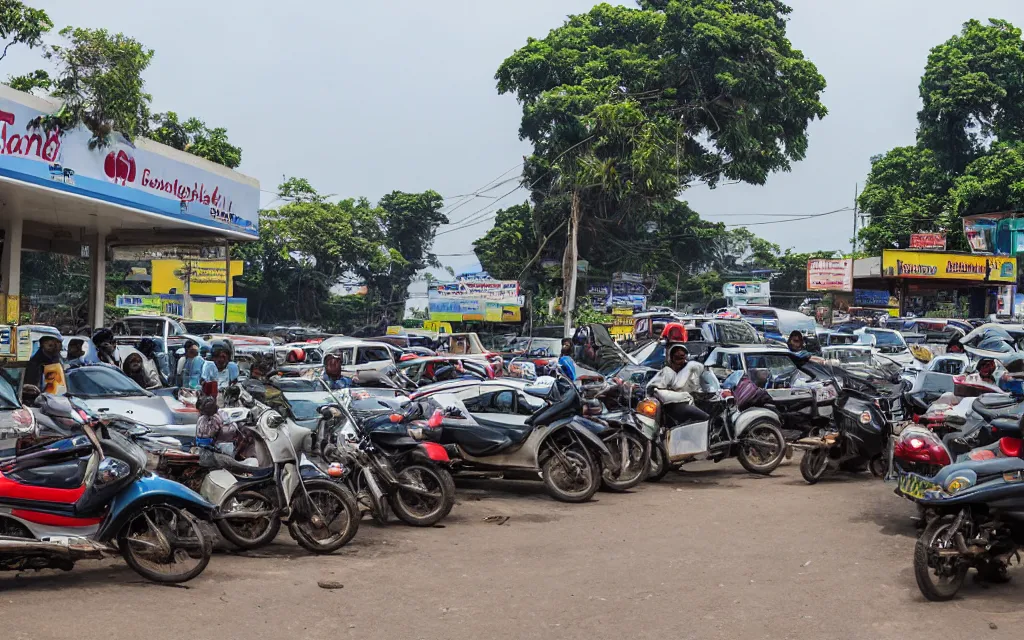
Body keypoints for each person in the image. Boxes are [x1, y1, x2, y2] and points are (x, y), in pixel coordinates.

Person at [649, 343, 709, 424]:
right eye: (677, 358)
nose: (680, 361)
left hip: (692, 401)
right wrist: (683, 396)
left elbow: (703, 381)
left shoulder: (690, 370)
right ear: (671, 358)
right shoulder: (667, 372)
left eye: (682, 357)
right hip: (675, 405)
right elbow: (657, 391)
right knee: (704, 418)